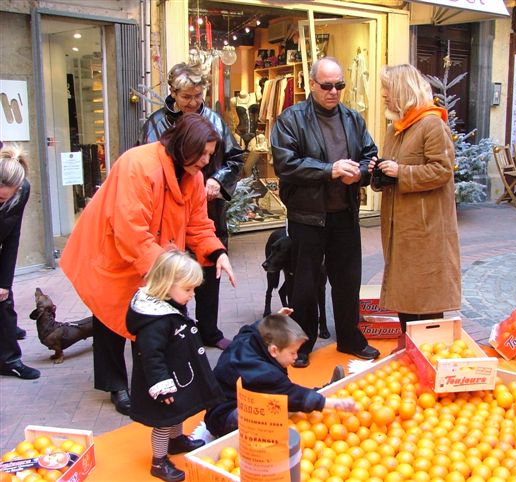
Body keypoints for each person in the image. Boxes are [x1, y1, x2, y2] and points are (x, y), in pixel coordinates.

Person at [61, 113, 236, 416]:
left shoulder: (192, 175)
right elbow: (130, 232)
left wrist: (217, 252)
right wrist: (171, 272)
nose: (207, 162)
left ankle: (156, 380)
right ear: (185, 146)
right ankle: (116, 384)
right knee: (110, 315)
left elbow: (198, 224)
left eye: (211, 154)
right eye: (204, 153)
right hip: (110, 252)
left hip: (155, 255)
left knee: (154, 321)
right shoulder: (137, 165)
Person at [270, 56, 380, 368]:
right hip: (307, 216)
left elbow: (369, 154)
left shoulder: (352, 118)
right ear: (312, 85)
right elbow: (285, 163)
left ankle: (349, 337)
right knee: (305, 283)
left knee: (347, 280)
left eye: (339, 85)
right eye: (327, 86)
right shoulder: (291, 118)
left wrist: (360, 171)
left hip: (344, 212)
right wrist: (329, 170)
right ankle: (301, 345)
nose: (334, 91)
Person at [138, 62, 244, 351]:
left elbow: (235, 158)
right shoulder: (156, 123)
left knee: (211, 270)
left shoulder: (214, 120)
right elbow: (149, 171)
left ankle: (208, 330)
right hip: (168, 218)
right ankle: (171, 333)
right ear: (173, 93)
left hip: (206, 212)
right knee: (170, 275)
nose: (193, 102)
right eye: (187, 97)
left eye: (198, 95)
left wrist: (218, 182)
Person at [369, 64, 461, 351]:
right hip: (401, 228)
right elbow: (394, 170)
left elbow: (442, 171)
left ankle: (430, 354)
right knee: (405, 292)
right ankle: (410, 348)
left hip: (426, 229)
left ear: (401, 91)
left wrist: (400, 172)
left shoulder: (432, 124)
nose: (383, 95)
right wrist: (380, 173)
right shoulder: (394, 128)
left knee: (426, 294)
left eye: (387, 89)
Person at [127, 250, 224, 482]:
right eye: (188, 289)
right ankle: (159, 461)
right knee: (164, 420)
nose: (192, 294)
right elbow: (151, 356)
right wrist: (161, 385)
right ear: (167, 285)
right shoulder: (155, 321)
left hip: (178, 373)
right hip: (164, 380)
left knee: (179, 410)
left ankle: (177, 440)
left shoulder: (170, 304)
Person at [203, 309, 354, 438]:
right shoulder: (263, 373)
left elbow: (251, 329)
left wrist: (273, 320)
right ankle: (324, 393)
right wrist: (331, 404)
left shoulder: (250, 340)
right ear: (274, 350)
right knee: (277, 407)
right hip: (224, 418)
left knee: (280, 399)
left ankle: (323, 392)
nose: (296, 357)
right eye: (292, 352)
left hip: (229, 401)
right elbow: (290, 395)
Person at [0, 144, 40, 380]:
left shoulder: (22, 190)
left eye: (5, 198)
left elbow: (12, 238)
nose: (2, 202)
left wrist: (5, 283)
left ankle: (9, 359)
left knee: (4, 297)